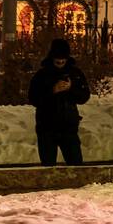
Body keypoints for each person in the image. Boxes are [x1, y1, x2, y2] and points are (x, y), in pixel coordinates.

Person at [27, 37, 90, 166]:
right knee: (48, 165)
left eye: (63, 59)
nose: (60, 61)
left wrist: (71, 89)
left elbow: (84, 96)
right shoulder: (42, 75)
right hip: (47, 126)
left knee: (75, 163)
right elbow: (33, 98)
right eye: (57, 59)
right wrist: (52, 91)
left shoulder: (75, 73)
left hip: (68, 126)